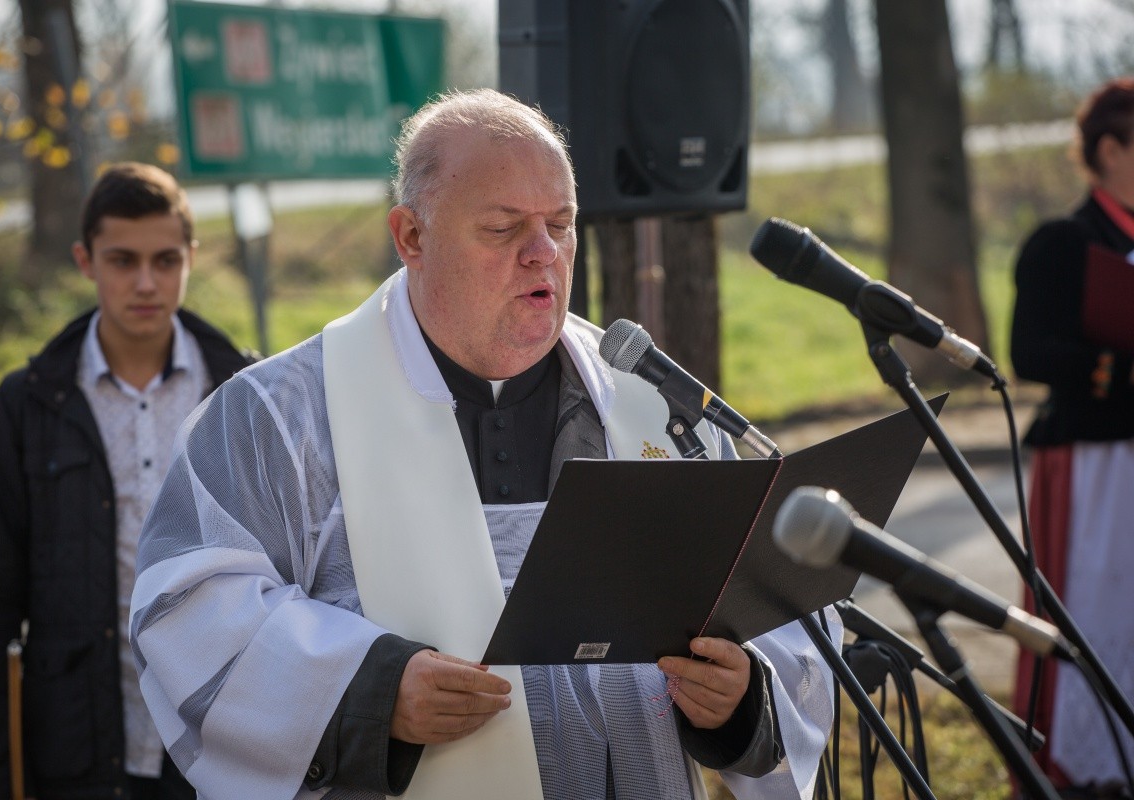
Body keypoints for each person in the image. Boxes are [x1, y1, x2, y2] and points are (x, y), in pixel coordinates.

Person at [131, 89, 839, 800]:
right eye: (503, 229)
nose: (543, 254)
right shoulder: (279, 417)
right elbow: (188, 609)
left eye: (560, 224)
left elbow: (773, 612)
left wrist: (739, 700)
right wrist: (372, 691)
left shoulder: (654, 402)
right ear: (411, 236)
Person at [0, 162, 255, 799]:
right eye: (122, 261)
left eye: (165, 260)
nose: (146, 283)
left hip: (223, 751)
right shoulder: (28, 405)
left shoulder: (244, 395)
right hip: (77, 752)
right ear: (85, 260)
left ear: (190, 257)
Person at [1011, 77, 1134, 798]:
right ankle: (1084, 768)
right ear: (1111, 151)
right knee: (1091, 613)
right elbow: (1027, 352)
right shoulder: (1065, 242)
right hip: (1094, 463)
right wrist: (1116, 368)